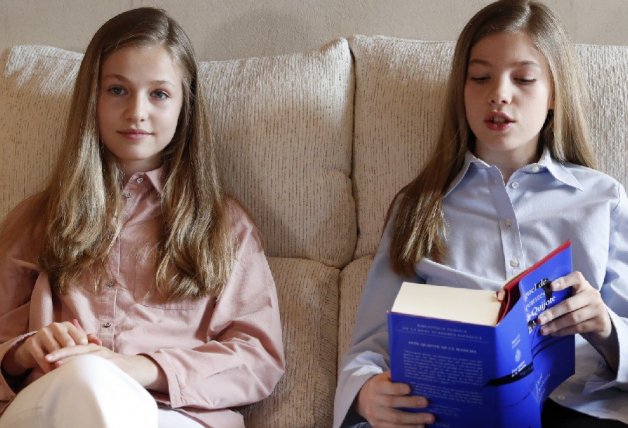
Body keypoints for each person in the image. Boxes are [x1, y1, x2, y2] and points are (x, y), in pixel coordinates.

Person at [333, 0, 628, 427]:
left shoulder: (603, 200)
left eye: (524, 78)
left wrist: (604, 327)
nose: (499, 94)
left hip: (576, 407)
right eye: (480, 78)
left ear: (554, 95)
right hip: (454, 411)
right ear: (462, 89)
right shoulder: (419, 207)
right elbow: (370, 345)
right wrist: (364, 394)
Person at [0, 7, 284, 428]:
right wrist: (25, 351)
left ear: (184, 107)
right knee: (83, 380)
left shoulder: (223, 226)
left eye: (159, 94)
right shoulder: (36, 219)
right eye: (118, 90)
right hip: (55, 401)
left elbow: (258, 358)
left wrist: (139, 368)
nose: (137, 111)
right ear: (91, 99)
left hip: (172, 414)